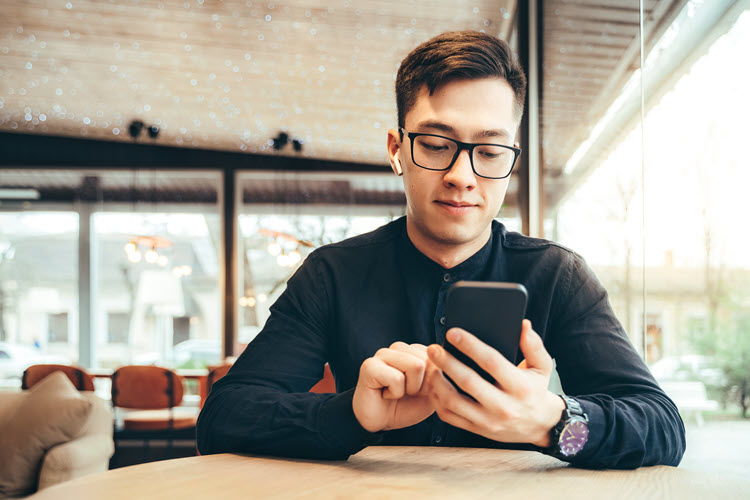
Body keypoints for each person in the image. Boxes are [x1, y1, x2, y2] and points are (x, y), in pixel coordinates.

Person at [197, 31, 685, 469]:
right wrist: (352, 414)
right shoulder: (333, 274)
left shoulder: (557, 274)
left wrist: (554, 423)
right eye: (435, 144)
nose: (462, 175)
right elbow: (223, 416)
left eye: (490, 152)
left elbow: (663, 427)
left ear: (510, 163)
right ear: (397, 149)